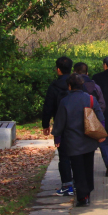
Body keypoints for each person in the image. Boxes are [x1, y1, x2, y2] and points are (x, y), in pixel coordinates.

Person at [53, 74, 106, 207]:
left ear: (69, 86)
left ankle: (82, 197)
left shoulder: (65, 101)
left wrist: (57, 137)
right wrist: (101, 133)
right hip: (89, 139)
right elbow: (101, 117)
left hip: (72, 139)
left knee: (77, 168)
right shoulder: (90, 99)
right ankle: (88, 191)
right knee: (88, 166)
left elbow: (60, 121)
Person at [72, 62, 108, 174]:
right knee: (102, 142)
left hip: (77, 120)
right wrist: (97, 117)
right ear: (87, 73)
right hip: (93, 118)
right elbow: (102, 103)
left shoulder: (73, 86)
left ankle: (81, 171)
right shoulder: (95, 86)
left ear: (74, 72)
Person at [42, 56, 75, 196]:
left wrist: (45, 124)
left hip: (60, 125)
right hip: (77, 123)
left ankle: (67, 184)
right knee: (77, 154)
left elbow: (48, 106)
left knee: (64, 155)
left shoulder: (54, 86)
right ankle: (78, 182)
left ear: (58, 70)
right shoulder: (77, 84)